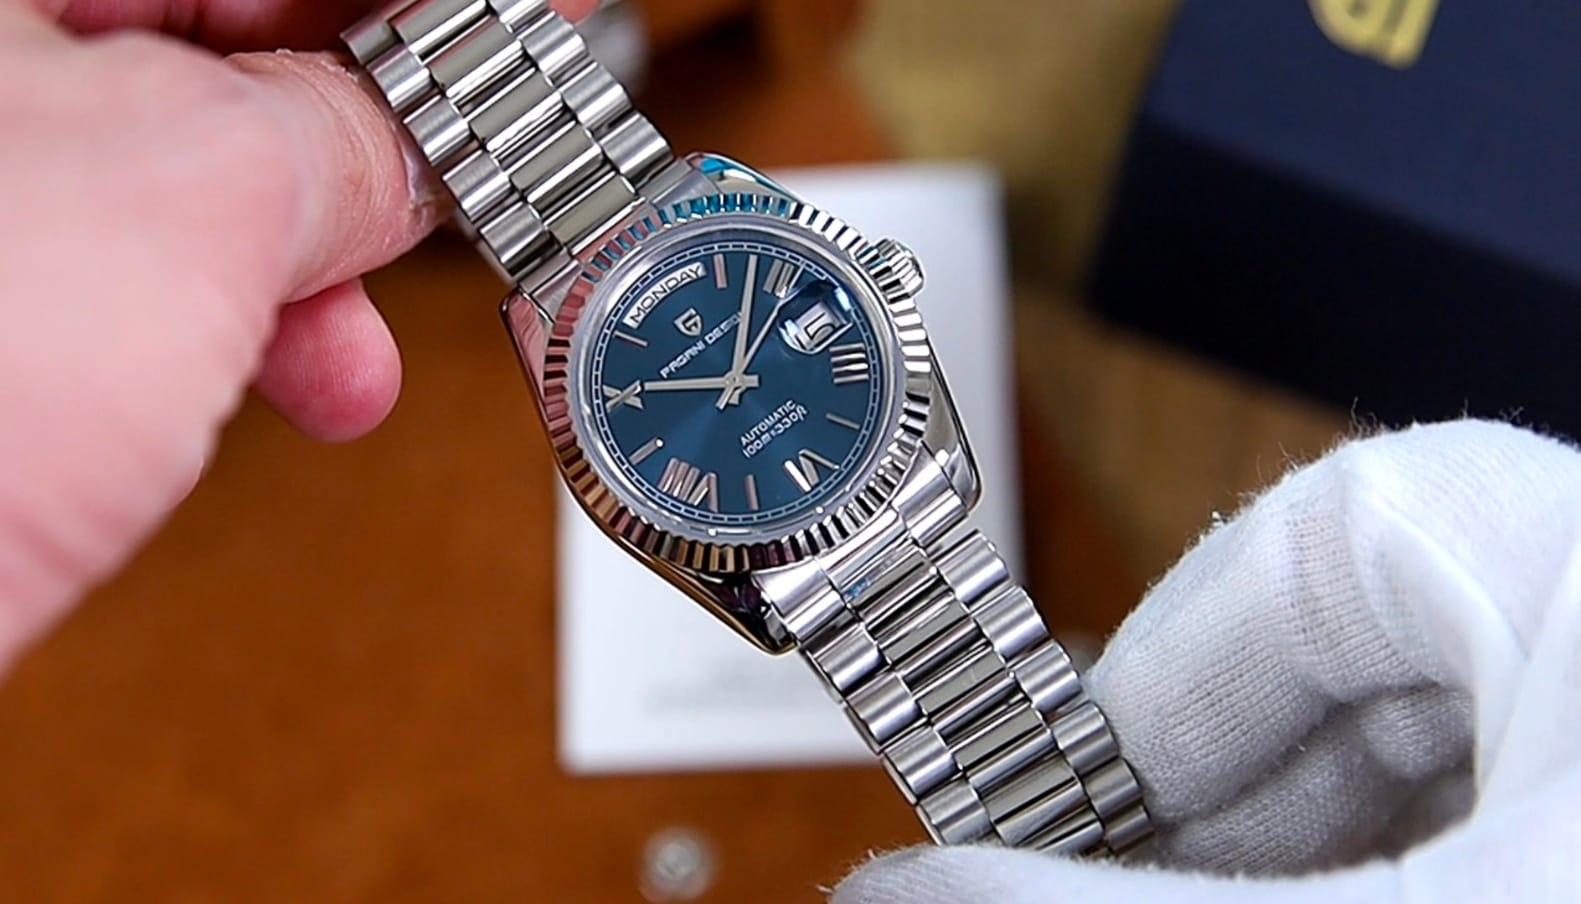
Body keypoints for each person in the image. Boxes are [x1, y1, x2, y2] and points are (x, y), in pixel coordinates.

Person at [1, 3, 1574, 901]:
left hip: (874, 502)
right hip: (815, 531)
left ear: (865, 282)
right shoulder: (635, 401)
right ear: (603, 469)